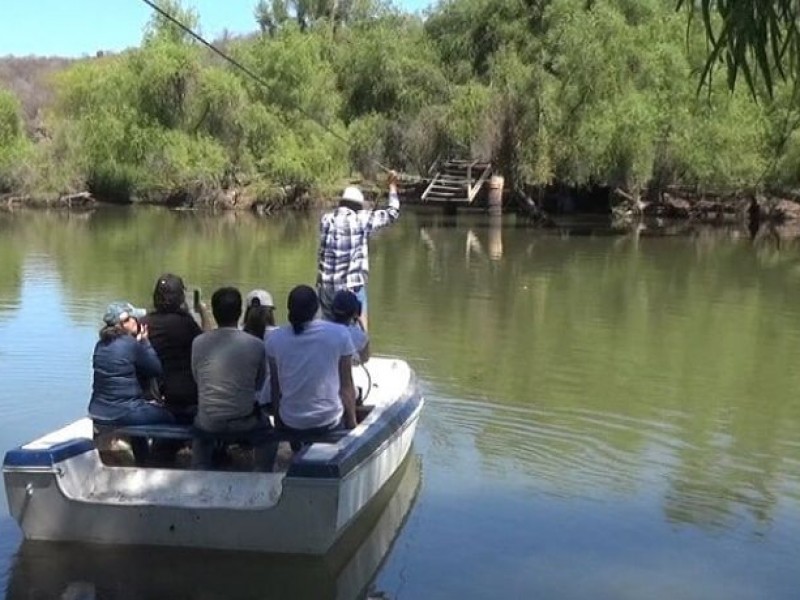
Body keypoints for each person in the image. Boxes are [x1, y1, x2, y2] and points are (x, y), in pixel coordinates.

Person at [191, 287, 276, 471]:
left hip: (209, 421)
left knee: (200, 435)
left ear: (213, 311)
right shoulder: (256, 345)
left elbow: (198, 379)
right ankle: (261, 474)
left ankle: (200, 470)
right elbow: (259, 384)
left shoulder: (198, 343)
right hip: (244, 421)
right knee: (268, 435)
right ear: (239, 312)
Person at [266, 285, 357, 440]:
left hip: (290, 421)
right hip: (328, 422)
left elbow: (276, 386)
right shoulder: (340, 334)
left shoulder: (274, 339)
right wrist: (352, 423)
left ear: (289, 309)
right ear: (317, 308)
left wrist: (279, 421)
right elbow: (346, 386)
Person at [88, 301, 174, 462]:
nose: (136, 321)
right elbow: (156, 369)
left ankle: (143, 462)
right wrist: (145, 343)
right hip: (123, 413)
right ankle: (160, 461)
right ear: (121, 325)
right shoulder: (131, 344)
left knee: (139, 412)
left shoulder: (100, 345)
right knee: (170, 416)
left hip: (98, 411)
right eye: (130, 319)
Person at [317, 171, 400, 330]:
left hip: (325, 288)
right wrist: (392, 186)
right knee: (358, 332)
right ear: (358, 206)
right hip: (350, 289)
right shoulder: (362, 219)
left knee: (329, 330)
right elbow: (392, 213)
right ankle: (359, 348)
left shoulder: (325, 220)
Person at [141, 273, 212, 423]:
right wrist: (204, 313)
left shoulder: (144, 323)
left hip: (152, 395)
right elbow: (208, 343)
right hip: (184, 396)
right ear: (180, 297)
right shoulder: (185, 323)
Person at [242, 289, 279, 413]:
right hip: (271, 403)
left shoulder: (236, 335)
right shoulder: (281, 336)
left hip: (244, 403)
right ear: (270, 312)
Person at [330, 289, 370, 364]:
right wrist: (361, 326)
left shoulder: (321, 330)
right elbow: (365, 358)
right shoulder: (360, 336)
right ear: (355, 313)